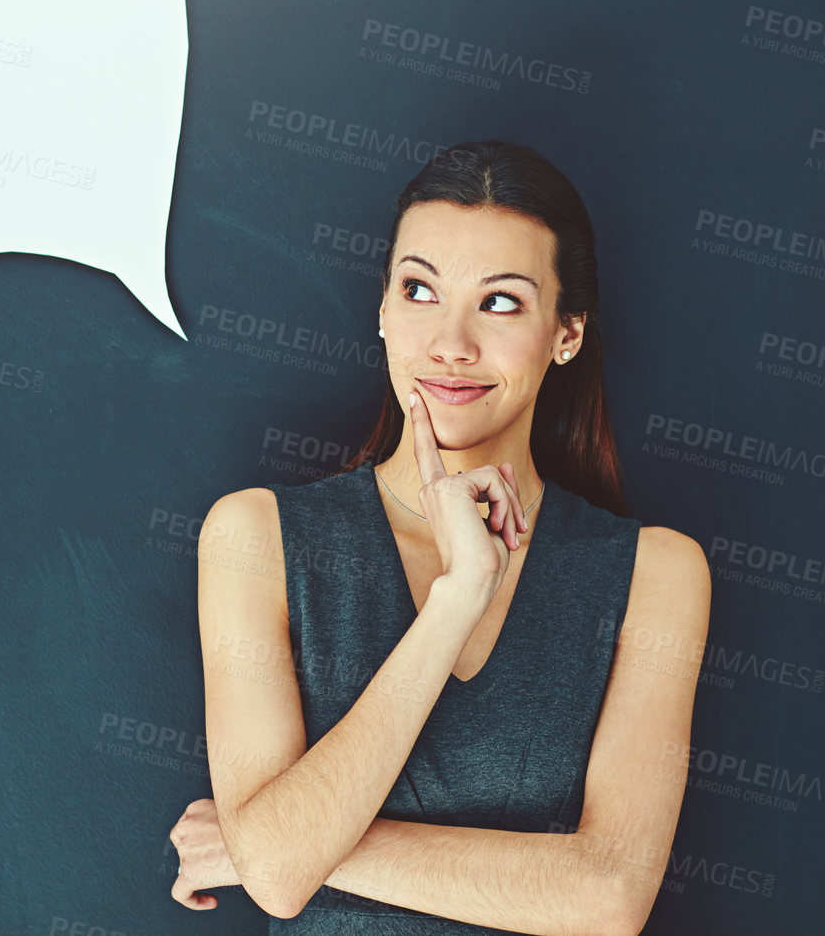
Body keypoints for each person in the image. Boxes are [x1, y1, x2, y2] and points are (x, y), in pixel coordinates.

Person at [169, 141, 711, 935]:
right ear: (383, 312)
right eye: (419, 290)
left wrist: (268, 842)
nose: (451, 344)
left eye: (500, 303)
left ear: (567, 332)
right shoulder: (255, 536)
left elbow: (610, 896)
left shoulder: (656, 573)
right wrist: (456, 600)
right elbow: (281, 878)